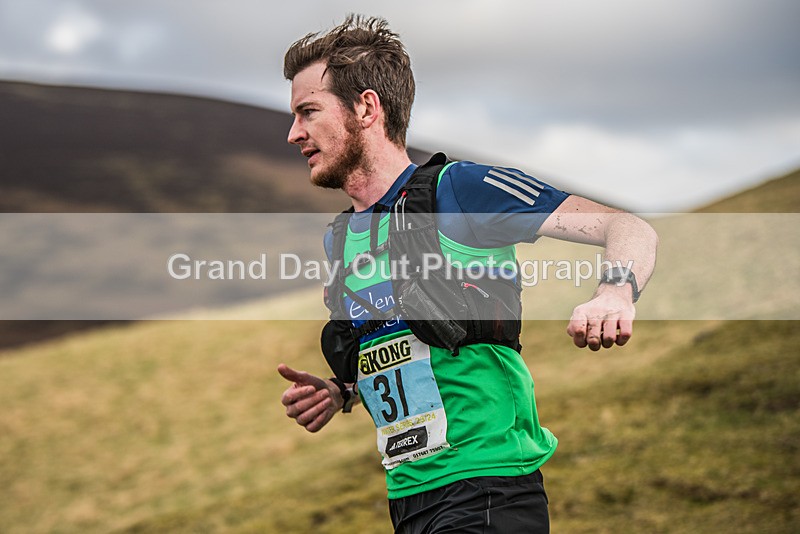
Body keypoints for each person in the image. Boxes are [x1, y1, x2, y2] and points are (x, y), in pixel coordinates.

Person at [277, 14, 657, 533]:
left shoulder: (461, 191)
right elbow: (408, 345)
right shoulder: (340, 237)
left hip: (489, 488)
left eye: (308, 111)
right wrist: (344, 391)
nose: (294, 132)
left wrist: (615, 293)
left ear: (366, 107)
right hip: (408, 496)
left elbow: (627, 227)